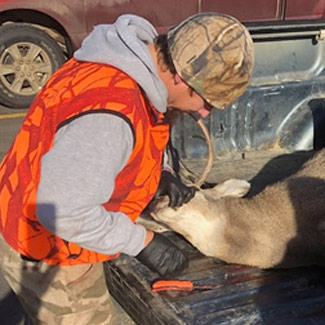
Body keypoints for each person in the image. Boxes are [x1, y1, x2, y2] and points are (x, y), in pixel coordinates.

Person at [0, 12, 254, 324]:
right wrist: (142, 243)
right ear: (181, 78)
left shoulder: (120, 62)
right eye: (207, 102)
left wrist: (158, 175)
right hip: (50, 250)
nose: (203, 113)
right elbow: (62, 211)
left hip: (42, 214)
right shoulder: (110, 114)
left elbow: (99, 150)